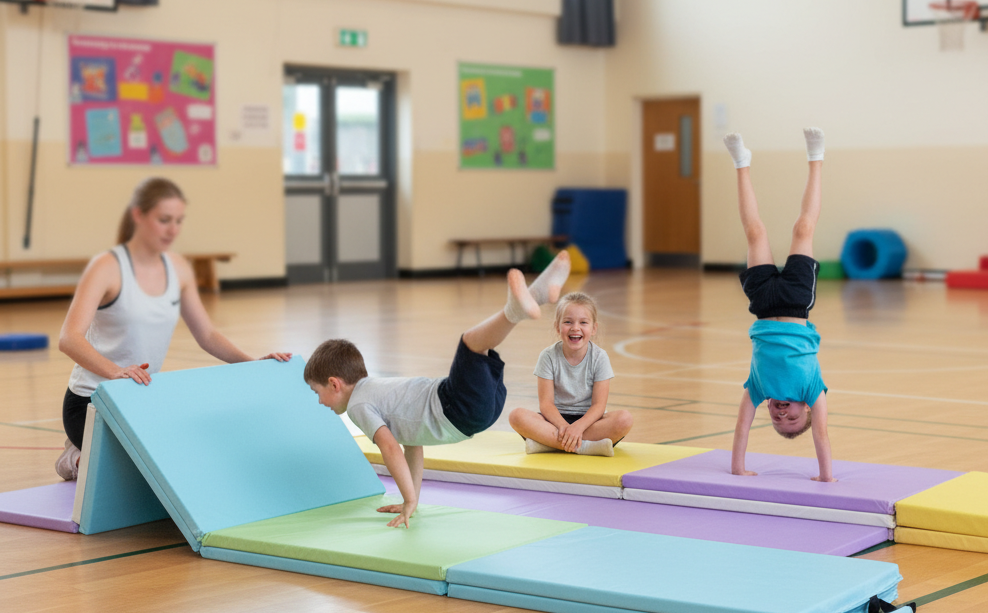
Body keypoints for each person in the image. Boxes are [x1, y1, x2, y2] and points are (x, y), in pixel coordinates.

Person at [305, 252, 572, 528]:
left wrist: (409, 499)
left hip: (459, 409)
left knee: (472, 344)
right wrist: (411, 499)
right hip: (474, 407)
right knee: (475, 346)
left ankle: (528, 301)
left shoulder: (358, 405)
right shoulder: (377, 390)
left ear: (335, 384)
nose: (320, 401)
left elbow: (391, 449)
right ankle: (531, 298)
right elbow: (412, 443)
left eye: (317, 392)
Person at [54, 177, 291, 480]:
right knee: (139, 472)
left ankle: (92, 452)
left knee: (182, 458)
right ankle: (75, 457)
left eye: (179, 221)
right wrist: (116, 372)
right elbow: (69, 338)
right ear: (138, 215)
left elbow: (207, 335)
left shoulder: (178, 269)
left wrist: (255, 364)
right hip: (91, 401)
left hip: (141, 398)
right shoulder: (106, 268)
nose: (173, 230)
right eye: (164, 220)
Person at [724, 128, 835, 482]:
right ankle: (816, 157)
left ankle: (741, 162)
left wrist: (738, 469)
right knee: (803, 228)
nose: (781, 414)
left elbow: (741, 426)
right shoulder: (812, 391)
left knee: (754, 232)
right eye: (792, 418)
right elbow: (822, 435)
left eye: (776, 419)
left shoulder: (758, 388)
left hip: (763, 302)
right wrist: (826, 477)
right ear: (806, 409)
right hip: (797, 303)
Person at [509, 291, 632, 456]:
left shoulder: (600, 357)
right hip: (555, 422)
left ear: (594, 328)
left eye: (583, 322)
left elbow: (598, 406)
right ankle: (585, 446)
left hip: (589, 423)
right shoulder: (548, 356)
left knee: (624, 419)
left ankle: (549, 444)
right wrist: (565, 427)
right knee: (516, 416)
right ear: (557, 327)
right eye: (568, 322)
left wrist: (578, 428)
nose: (575, 328)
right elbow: (546, 404)